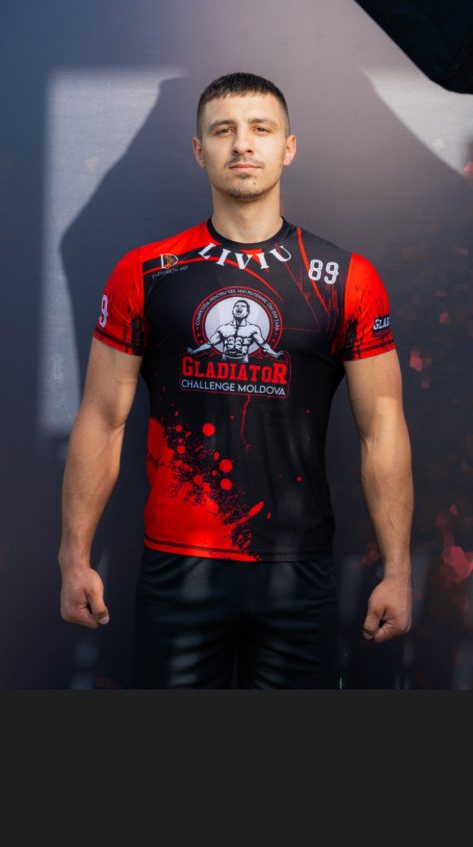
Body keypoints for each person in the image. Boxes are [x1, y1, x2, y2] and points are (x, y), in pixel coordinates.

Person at [58, 71, 414, 689]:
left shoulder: (346, 279)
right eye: (224, 131)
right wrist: (73, 556)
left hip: (298, 568)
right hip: (179, 566)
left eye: (261, 129)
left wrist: (400, 571)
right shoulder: (145, 272)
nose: (243, 144)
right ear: (199, 151)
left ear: (288, 147)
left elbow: (381, 428)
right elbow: (101, 419)